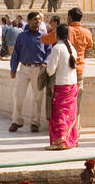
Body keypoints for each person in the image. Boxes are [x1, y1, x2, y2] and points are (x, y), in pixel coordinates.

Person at [9, 11, 50, 132]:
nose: (37, 21)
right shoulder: (22, 36)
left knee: (38, 97)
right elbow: (16, 53)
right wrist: (13, 69)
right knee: (18, 95)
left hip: (38, 68)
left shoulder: (44, 36)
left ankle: (35, 122)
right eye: (35, 19)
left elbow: (49, 51)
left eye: (39, 19)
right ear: (29, 21)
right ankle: (17, 120)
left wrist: (46, 61)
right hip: (24, 68)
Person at [45, 22, 79, 150]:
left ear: (57, 34)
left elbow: (51, 70)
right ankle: (70, 140)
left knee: (59, 114)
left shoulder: (57, 48)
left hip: (62, 85)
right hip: (72, 84)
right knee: (70, 113)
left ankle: (60, 141)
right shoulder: (71, 47)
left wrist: (46, 70)